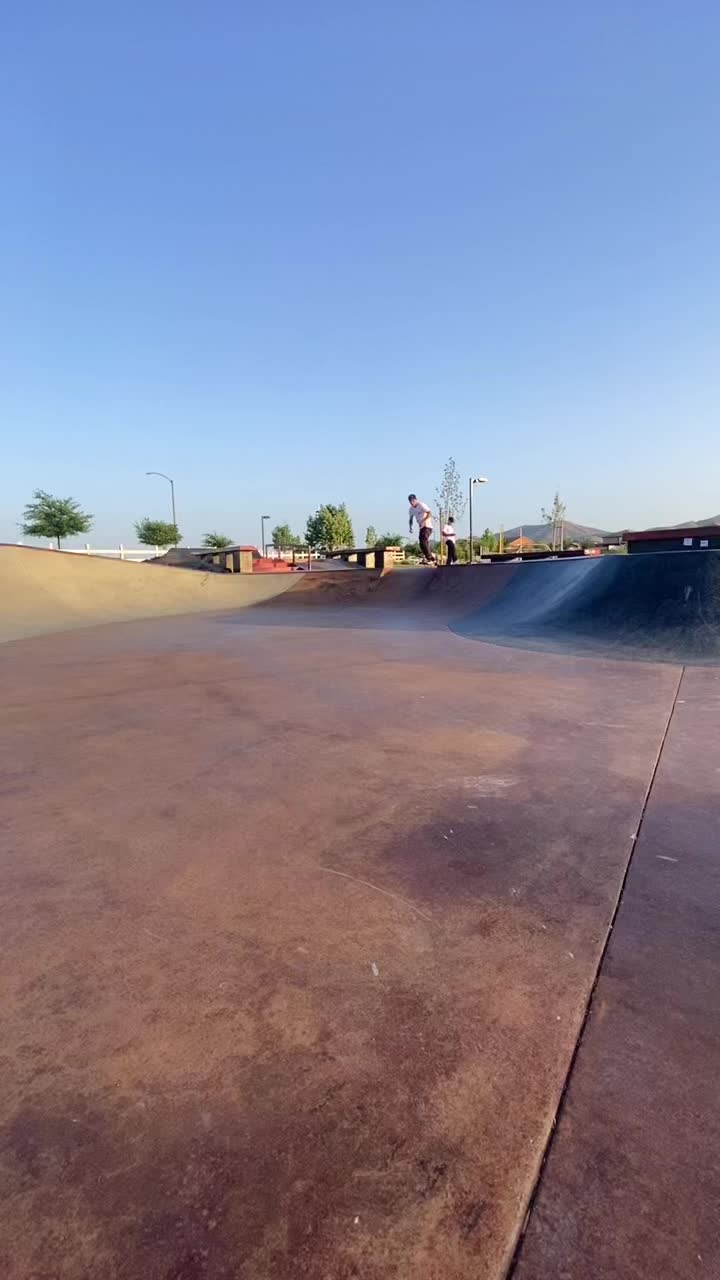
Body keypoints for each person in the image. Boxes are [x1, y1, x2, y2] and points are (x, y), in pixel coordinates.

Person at [408, 494, 436, 565]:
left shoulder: (421, 505)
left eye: (413, 501)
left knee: (423, 540)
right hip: (421, 527)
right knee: (421, 543)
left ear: (416, 500)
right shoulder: (411, 509)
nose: (412, 503)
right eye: (410, 502)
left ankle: (430, 558)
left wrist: (423, 520)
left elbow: (429, 513)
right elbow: (411, 519)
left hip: (427, 526)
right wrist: (410, 527)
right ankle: (432, 557)